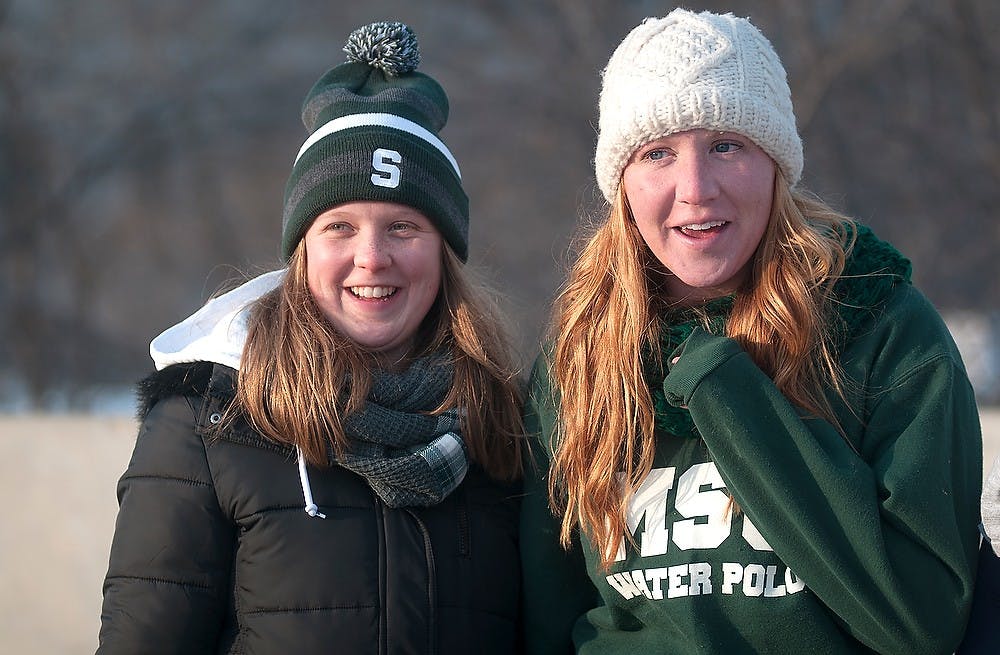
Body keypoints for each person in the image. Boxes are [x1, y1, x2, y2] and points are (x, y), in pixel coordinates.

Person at [519, 8, 982, 654]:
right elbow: (546, 623)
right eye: (658, 153)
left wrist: (729, 392)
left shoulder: (884, 332)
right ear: (622, 184)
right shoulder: (578, 364)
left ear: (774, 163)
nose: (695, 189)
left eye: (725, 146)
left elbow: (920, 626)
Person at [97, 21, 523, 655]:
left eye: (403, 227)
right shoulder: (205, 424)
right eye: (340, 227)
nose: (372, 258)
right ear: (301, 251)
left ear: (445, 253)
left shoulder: (505, 426)